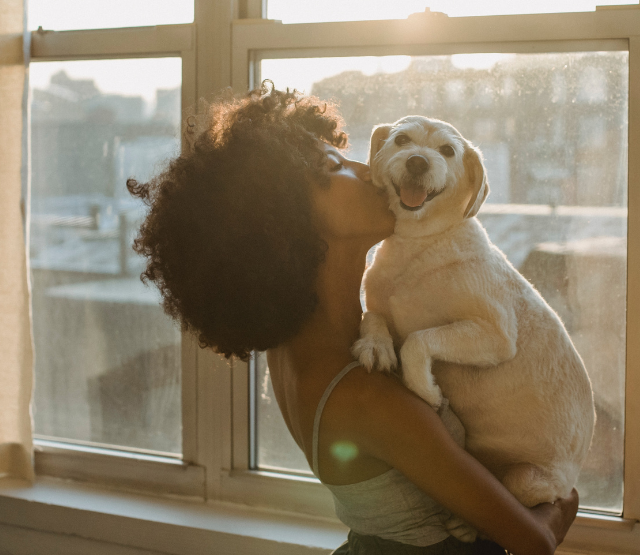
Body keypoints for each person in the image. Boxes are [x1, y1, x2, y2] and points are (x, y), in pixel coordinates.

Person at [127, 82, 579, 555]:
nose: (366, 169)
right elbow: (534, 542)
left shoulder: (295, 350)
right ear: (285, 218)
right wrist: (564, 499)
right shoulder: (369, 399)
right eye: (334, 166)